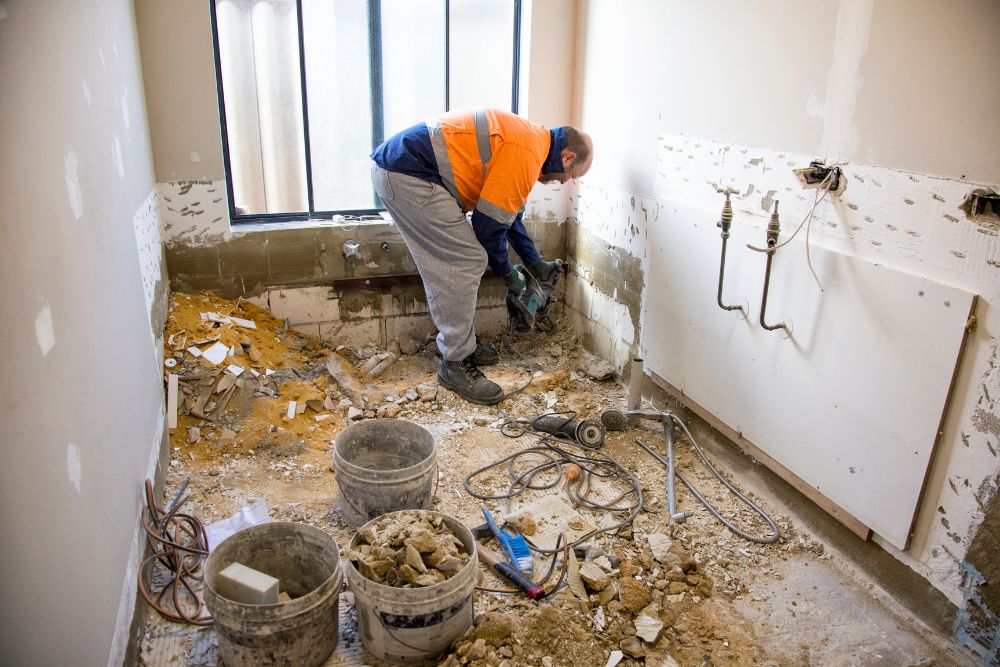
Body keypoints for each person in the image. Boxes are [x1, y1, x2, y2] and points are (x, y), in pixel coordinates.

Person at [369, 107, 593, 405]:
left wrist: (535, 264)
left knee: (464, 259)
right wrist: (509, 274)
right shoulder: (526, 154)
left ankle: (461, 344)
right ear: (567, 157)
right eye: (570, 176)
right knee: (465, 260)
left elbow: (510, 219)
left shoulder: (532, 144)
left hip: (407, 169)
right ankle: (455, 362)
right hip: (407, 173)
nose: (564, 182)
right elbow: (488, 229)